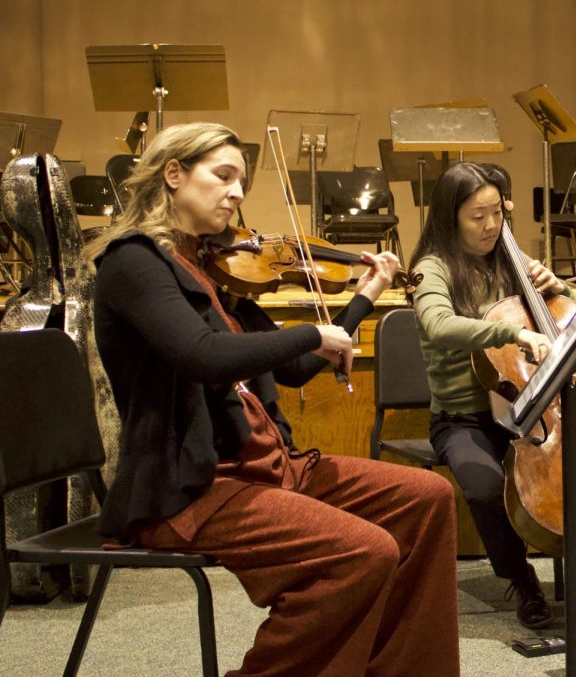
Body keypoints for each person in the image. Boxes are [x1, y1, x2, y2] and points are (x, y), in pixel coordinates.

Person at [86, 122, 459, 677]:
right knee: (361, 553)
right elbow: (202, 355)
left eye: (241, 180)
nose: (237, 193)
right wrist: (314, 332)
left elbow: (293, 368)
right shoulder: (133, 262)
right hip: (194, 485)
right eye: (223, 176)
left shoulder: (211, 265)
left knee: (426, 496)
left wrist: (361, 300)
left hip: (269, 465)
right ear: (173, 174)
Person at [408, 161, 576, 630]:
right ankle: (522, 580)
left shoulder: (510, 256)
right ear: (451, 217)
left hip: (535, 405)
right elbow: (437, 325)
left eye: (496, 214)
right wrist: (509, 332)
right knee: (485, 488)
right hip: (465, 417)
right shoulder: (432, 268)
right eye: (476, 216)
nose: (490, 226)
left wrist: (559, 285)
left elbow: (572, 314)